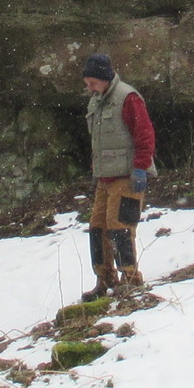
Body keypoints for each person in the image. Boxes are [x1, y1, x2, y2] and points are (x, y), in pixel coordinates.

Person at [79, 52, 155, 297]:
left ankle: (130, 279)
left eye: (93, 82)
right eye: (87, 83)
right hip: (105, 178)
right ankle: (105, 279)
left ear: (105, 79)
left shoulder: (128, 98)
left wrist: (140, 168)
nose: (89, 87)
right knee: (97, 228)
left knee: (119, 227)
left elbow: (145, 134)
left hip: (127, 177)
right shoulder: (96, 101)